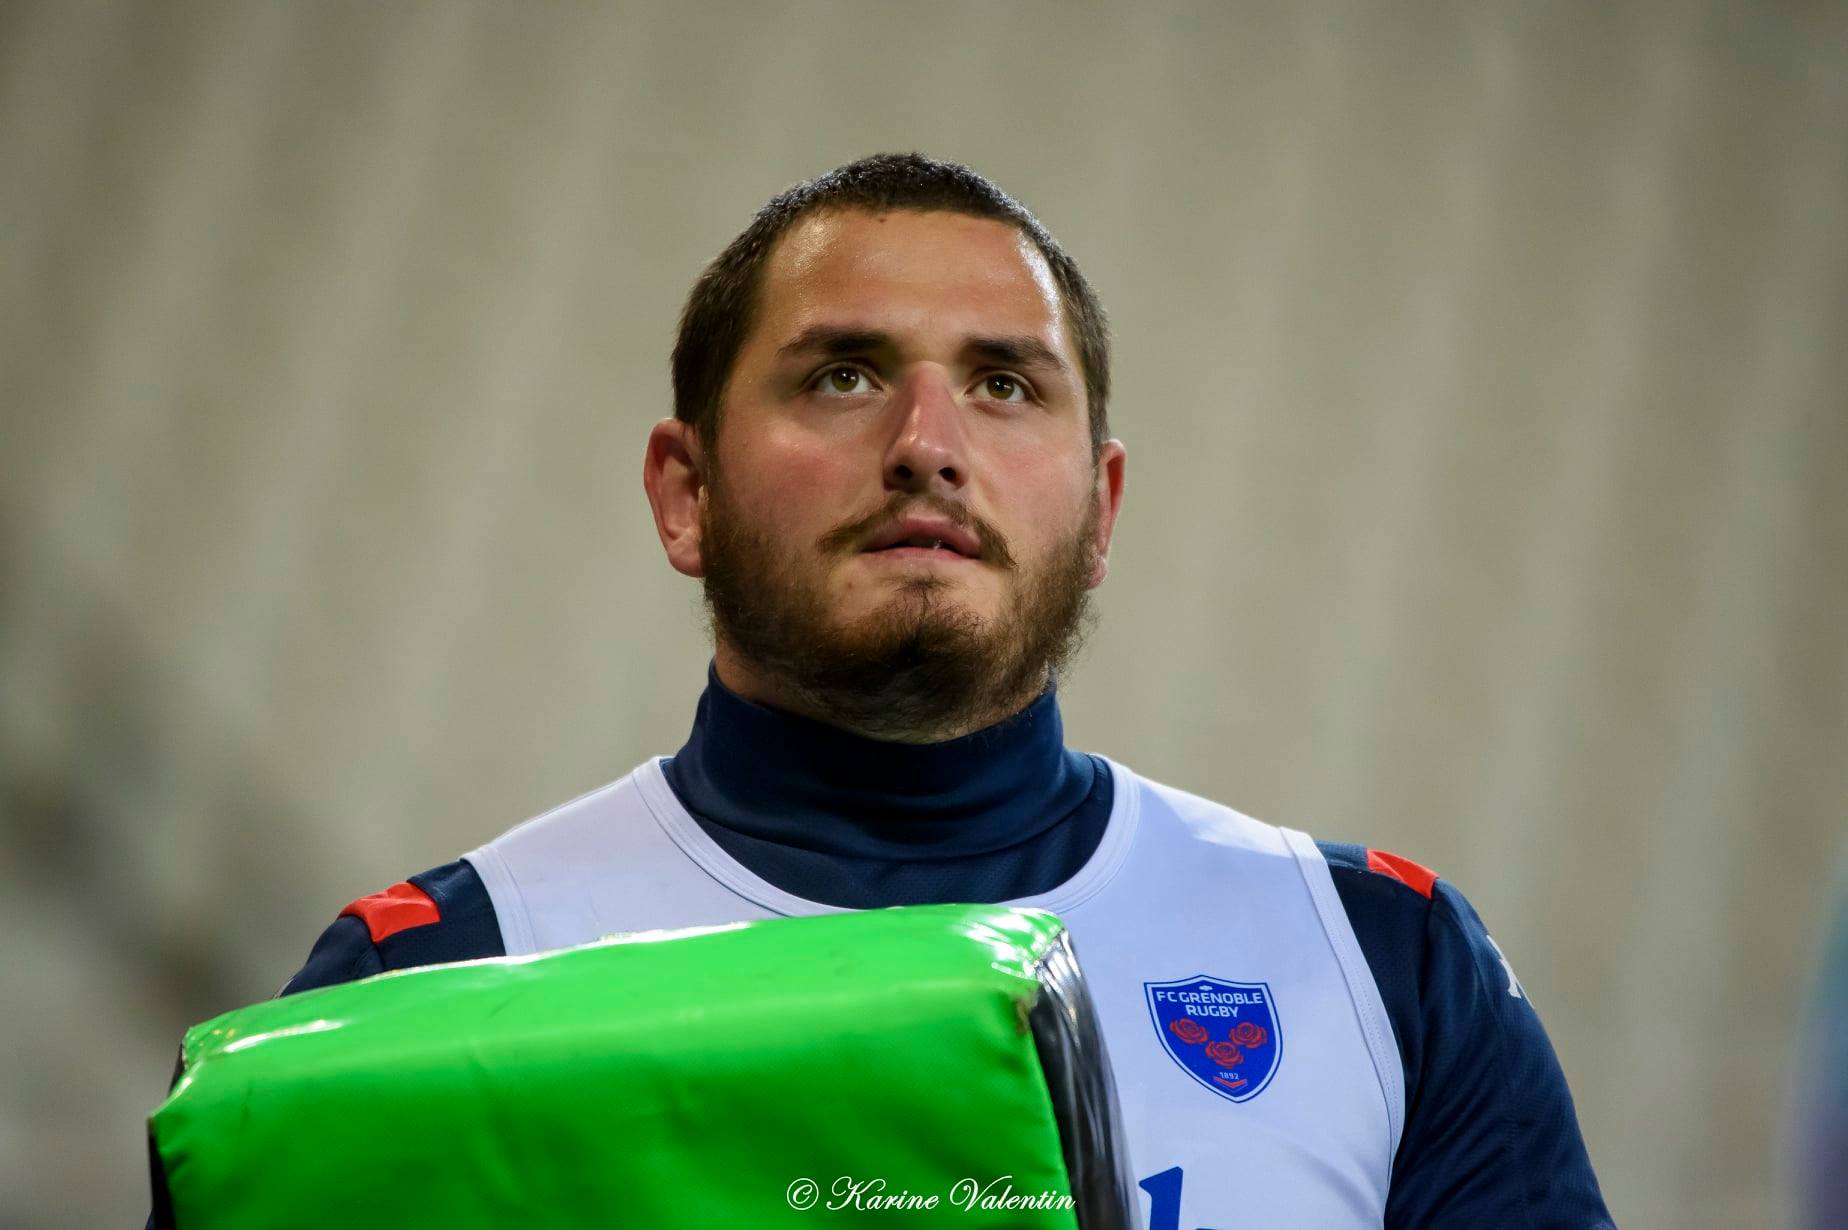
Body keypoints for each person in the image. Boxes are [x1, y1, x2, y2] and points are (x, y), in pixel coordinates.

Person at [154, 154, 1613, 1228]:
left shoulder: (1382, 968)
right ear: (685, 492)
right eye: (844, 376)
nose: (927, 440)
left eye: (1004, 383)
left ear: (1100, 510)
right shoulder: (429, 982)